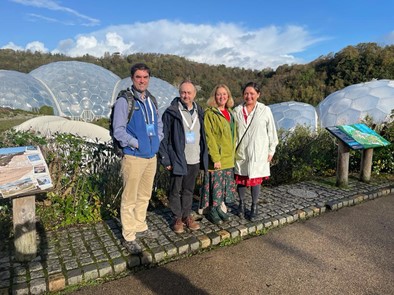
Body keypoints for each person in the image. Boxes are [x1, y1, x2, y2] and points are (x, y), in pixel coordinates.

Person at [112, 63, 163, 254]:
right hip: (134, 157)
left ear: (149, 79)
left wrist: (157, 140)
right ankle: (129, 235)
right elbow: (118, 130)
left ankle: (140, 226)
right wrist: (136, 143)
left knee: (144, 195)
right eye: (138, 77)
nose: (142, 80)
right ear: (132, 78)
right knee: (130, 197)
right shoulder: (125, 101)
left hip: (151, 156)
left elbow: (158, 124)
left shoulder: (151, 100)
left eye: (145, 77)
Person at [159, 79, 208, 234]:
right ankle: (177, 218)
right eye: (183, 92)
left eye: (189, 92)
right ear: (179, 93)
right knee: (175, 190)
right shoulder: (172, 112)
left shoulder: (199, 111)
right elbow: (163, 136)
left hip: (194, 159)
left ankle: (187, 216)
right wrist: (165, 159)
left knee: (188, 190)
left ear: (194, 94)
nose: (185, 95)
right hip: (178, 159)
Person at [233, 82, 278, 221]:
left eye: (252, 93)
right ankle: (241, 204)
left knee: (255, 180)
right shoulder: (236, 111)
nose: (249, 96)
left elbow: (272, 132)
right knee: (241, 179)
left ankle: (254, 206)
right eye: (246, 93)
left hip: (259, 153)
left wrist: (271, 151)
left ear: (258, 94)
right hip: (241, 152)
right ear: (243, 95)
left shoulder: (265, 110)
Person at [200, 84, 237, 225]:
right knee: (215, 185)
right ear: (214, 97)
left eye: (224, 94)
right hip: (218, 158)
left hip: (229, 158)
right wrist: (215, 158)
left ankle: (219, 208)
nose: (221, 97)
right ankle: (213, 210)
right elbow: (210, 138)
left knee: (223, 186)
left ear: (228, 96)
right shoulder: (210, 113)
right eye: (218, 94)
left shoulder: (230, 112)